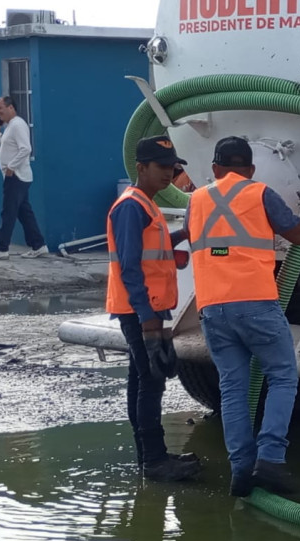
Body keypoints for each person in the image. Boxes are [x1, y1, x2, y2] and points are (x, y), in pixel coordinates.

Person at [185, 136, 300, 497]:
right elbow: (299, 233)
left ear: (215, 169)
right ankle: (270, 461)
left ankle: (241, 471)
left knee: (232, 388)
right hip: (255, 303)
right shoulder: (259, 193)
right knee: (283, 377)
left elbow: (209, 241)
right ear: (251, 169)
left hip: (212, 307)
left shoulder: (196, 200)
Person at [106, 135, 201, 483]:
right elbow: (129, 265)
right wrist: (147, 316)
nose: (168, 174)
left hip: (149, 308)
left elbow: (152, 248)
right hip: (140, 310)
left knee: (142, 379)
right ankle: (155, 461)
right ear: (141, 167)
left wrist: (183, 234)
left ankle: (149, 456)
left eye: (172, 168)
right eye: (161, 167)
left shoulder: (146, 205)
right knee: (151, 382)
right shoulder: (132, 206)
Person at [0, 96, 46, 260]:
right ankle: (38, 245)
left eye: (0, 107)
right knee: (24, 212)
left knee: (8, 212)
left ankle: (1, 248)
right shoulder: (9, 127)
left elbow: (26, 148)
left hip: (16, 177)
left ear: (11, 107)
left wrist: (11, 167)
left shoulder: (18, 125)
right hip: (16, 177)